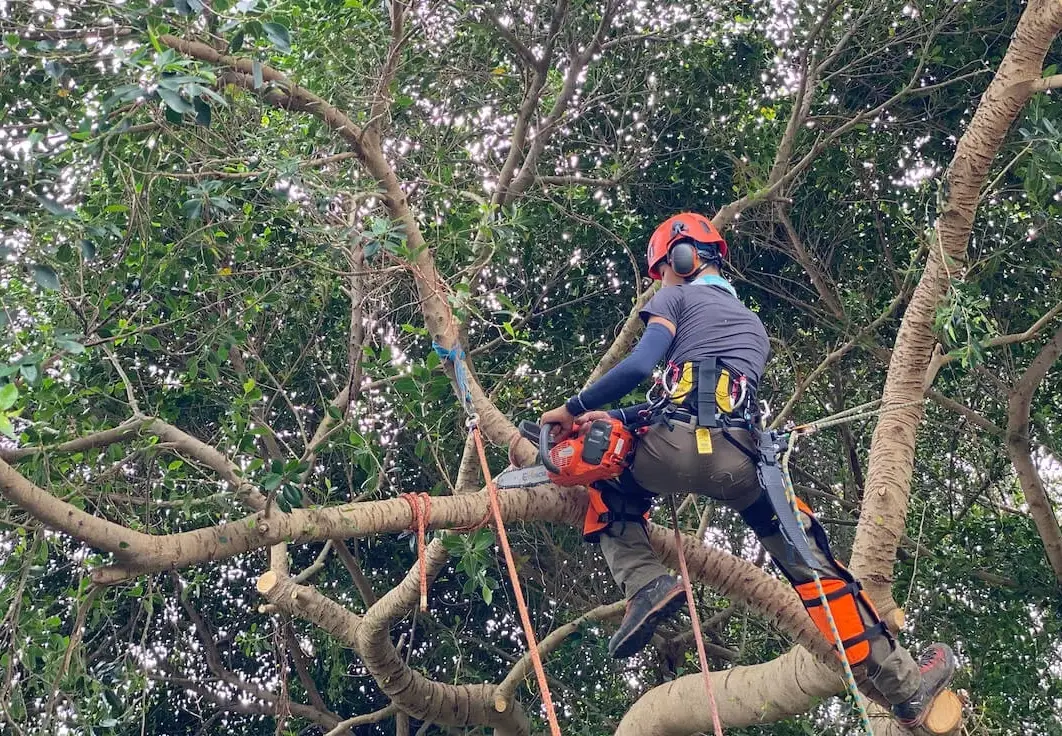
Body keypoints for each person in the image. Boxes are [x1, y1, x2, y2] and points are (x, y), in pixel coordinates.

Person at [540, 213, 956, 727]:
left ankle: (644, 582)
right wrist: (620, 416)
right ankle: (905, 687)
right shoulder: (750, 324)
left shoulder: (673, 298)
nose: (660, 283)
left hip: (672, 450)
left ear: (682, 257)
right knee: (818, 571)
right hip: (743, 462)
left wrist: (575, 409)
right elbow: (693, 391)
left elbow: (638, 369)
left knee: (602, 478)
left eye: (662, 271)